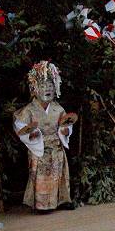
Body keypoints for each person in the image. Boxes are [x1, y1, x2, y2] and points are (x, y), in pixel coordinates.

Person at [14, 61, 77, 212]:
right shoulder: (29, 110)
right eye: (43, 86)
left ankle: (62, 201)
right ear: (35, 89)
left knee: (59, 175)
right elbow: (20, 127)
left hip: (56, 147)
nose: (47, 89)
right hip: (39, 147)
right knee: (42, 178)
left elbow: (66, 123)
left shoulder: (58, 108)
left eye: (50, 86)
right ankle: (43, 205)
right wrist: (31, 134)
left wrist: (66, 131)